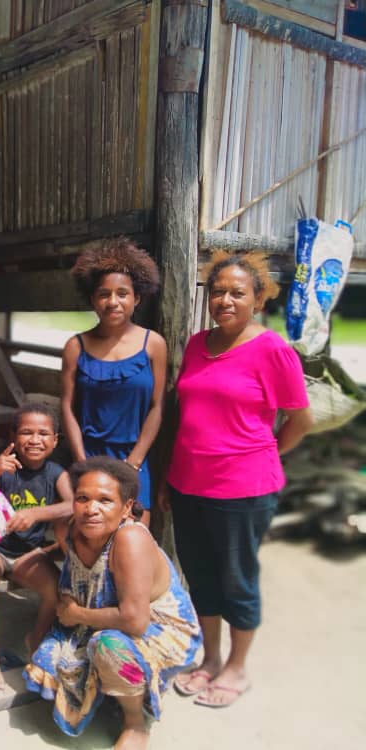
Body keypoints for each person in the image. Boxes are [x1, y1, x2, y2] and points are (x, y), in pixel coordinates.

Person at [163, 251, 312, 709]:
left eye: (237, 293)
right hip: (187, 484)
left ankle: (236, 668)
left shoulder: (273, 350)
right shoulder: (196, 344)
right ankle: (210, 659)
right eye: (218, 291)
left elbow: (300, 419)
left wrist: (264, 453)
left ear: (258, 298)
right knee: (201, 576)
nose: (225, 300)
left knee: (237, 580)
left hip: (244, 489)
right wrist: (172, 481)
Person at [26, 457, 201, 749]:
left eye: (105, 500)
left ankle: (136, 722)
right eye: (82, 498)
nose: (91, 509)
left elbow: (135, 620)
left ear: (126, 508)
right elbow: (77, 578)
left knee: (108, 647)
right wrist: (71, 602)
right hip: (103, 615)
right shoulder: (72, 528)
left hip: (160, 628)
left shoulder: (130, 538)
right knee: (47, 656)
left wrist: (76, 613)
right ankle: (113, 689)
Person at [0, 402, 73, 691]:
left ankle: (35, 638)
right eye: (26, 432)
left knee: (56, 591)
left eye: (43, 434)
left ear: (54, 441)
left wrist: (36, 514)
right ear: (14, 436)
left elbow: (73, 504)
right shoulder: (4, 468)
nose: (35, 440)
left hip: (28, 552)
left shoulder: (57, 473)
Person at [60, 238, 165, 528]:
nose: (113, 302)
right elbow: (67, 407)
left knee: (133, 536)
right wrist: (82, 463)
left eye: (122, 293)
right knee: (89, 539)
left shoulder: (153, 344)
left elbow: (157, 406)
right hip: (90, 454)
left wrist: (134, 462)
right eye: (104, 294)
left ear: (137, 298)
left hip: (135, 459)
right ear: (93, 300)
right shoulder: (76, 346)